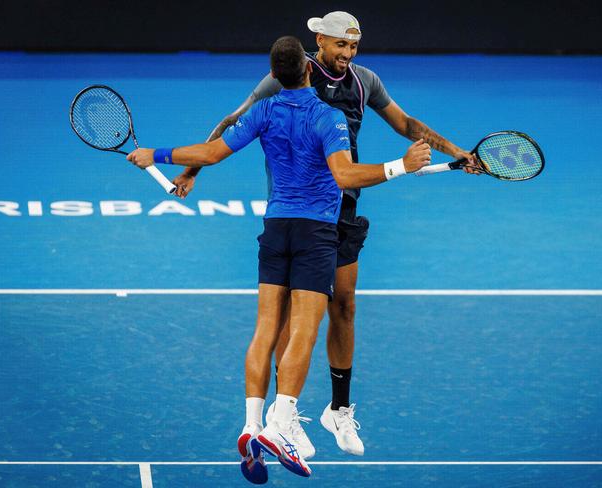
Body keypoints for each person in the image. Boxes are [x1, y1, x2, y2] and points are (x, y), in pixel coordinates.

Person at [172, 11, 480, 458]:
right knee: (290, 320)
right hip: (302, 208)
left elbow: (406, 124)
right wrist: (190, 170)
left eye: (354, 47)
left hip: (346, 202)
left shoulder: (365, 81)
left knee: (345, 305)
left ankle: (337, 409)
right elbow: (231, 122)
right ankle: (284, 418)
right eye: (340, 46)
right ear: (320, 40)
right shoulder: (289, 75)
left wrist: (457, 151)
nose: (347, 55)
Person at [127, 36, 431, 482]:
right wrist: (402, 165)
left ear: (276, 75)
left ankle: (251, 425)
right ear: (308, 70)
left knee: (266, 330)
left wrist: (155, 155)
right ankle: (280, 424)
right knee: (304, 333)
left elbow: (212, 152)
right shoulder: (328, 117)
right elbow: (345, 175)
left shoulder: (263, 111)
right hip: (315, 233)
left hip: (275, 230)